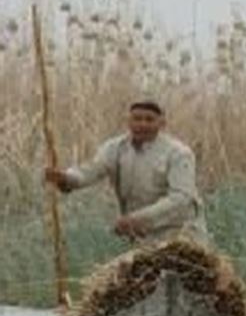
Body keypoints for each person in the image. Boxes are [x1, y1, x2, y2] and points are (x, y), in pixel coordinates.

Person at [43, 100, 207, 244]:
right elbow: (93, 170)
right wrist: (66, 178)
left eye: (149, 119)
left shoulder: (178, 153)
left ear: (161, 123)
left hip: (181, 236)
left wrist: (138, 220)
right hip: (143, 238)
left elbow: (181, 199)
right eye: (137, 118)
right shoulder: (115, 148)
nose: (142, 124)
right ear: (128, 121)